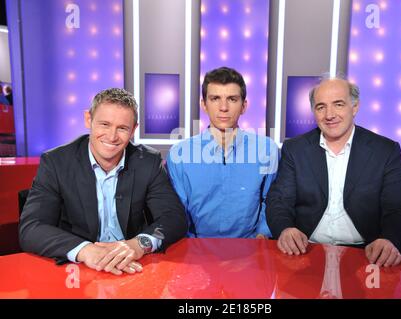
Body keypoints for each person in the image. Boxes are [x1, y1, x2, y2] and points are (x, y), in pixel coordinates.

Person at [19, 88, 187, 275]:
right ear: (88, 120)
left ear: (133, 130)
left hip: (132, 265)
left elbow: (174, 218)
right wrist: (85, 250)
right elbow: (32, 228)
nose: (112, 136)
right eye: (104, 124)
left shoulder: (148, 162)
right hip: (78, 269)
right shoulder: (56, 162)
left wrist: (140, 243)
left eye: (122, 128)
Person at [266, 75, 401, 267]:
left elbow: (398, 208)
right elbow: (279, 200)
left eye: (338, 104)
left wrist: (390, 240)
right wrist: (285, 229)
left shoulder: (385, 151)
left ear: (355, 107)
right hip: (306, 252)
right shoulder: (295, 149)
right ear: (313, 111)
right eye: (321, 107)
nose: (329, 114)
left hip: (366, 255)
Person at [166, 66, 278, 238]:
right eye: (215, 98)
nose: (223, 107)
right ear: (204, 104)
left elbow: (271, 201)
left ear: (243, 106)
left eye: (232, 99)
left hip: (251, 250)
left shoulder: (267, 150)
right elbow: (177, 212)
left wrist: (262, 236)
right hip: (197, 253)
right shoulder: (179, 154)